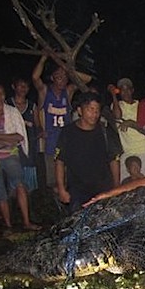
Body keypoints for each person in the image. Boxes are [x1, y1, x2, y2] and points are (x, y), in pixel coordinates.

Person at [0, 83, 40, 232]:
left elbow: (20, 136)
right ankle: (8, 224)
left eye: (1, 94)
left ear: (5, 95)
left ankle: (26, 221)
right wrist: (6, 139)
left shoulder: (12, 112)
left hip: (11, 155)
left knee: (20, 185)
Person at [32, 55, 92, 190]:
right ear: (52, 78)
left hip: (67, 140)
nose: (62, 79)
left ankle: (68, 205)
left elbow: (87, 79)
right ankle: (58, 205)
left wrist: (68, 69)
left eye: (65, 76)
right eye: (58, 76)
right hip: (50, 141)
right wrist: (43, 58)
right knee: (54, 181)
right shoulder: (45, 91)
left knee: (68, 177)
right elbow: (35, 78)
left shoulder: (68, 92)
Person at [54, 92, 121, 213]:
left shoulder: (105, 132)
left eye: (97, 110)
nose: (94, 114)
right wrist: (61, 189)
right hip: (77, 191)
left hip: (103, 189)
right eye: (90, 109)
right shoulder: (68, 133)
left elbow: (114, 160)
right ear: (80, 110)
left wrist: (116, 188)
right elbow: (59, 161)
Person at [110, 77, 145, 180]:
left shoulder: (142, 104)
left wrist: (131, 123)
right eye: (122, 90)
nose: (125, 92)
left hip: (144, 150)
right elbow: (117, 116)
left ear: (132, 90)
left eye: (127, 89)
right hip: (128, 151)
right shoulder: (117, 105)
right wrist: (113, 95)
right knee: (127, 185)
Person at [6, 77, 40, 198]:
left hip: (29, 142)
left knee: (29, 169)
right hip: (12, 144)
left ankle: (28, 198)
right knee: (13, 168)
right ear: (13, 87)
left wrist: (39, 133)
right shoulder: (7, 104)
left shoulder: (32, 106)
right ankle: (13, 198)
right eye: (20, 86)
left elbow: (37, 124)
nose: (23, 89)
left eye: (25, 86)